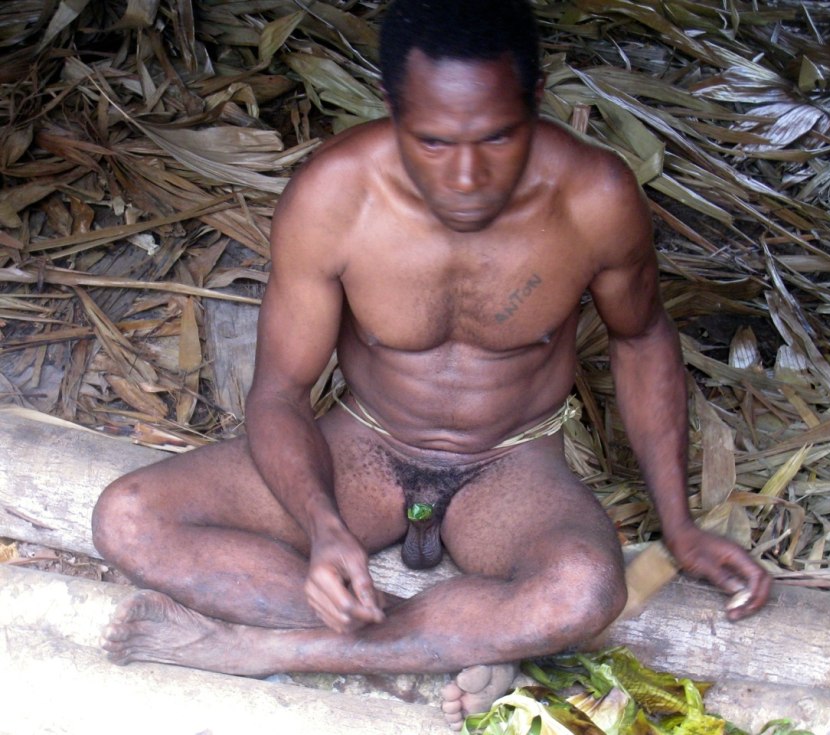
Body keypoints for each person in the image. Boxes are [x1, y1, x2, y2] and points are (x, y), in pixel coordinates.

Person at [91, 0, 770, 729]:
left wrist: (681, 525)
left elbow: (641, 341)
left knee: (581, 593)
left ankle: (263, 648)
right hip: (365, 447)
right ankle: (467, 635)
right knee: (128, 519)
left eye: (499, 136)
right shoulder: (335, 197)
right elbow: (281, 392)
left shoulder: (594, 199)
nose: (469, 175)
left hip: (511, 466)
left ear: (536, 101)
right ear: (391, 106)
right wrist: (323, 528)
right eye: (435, 141)